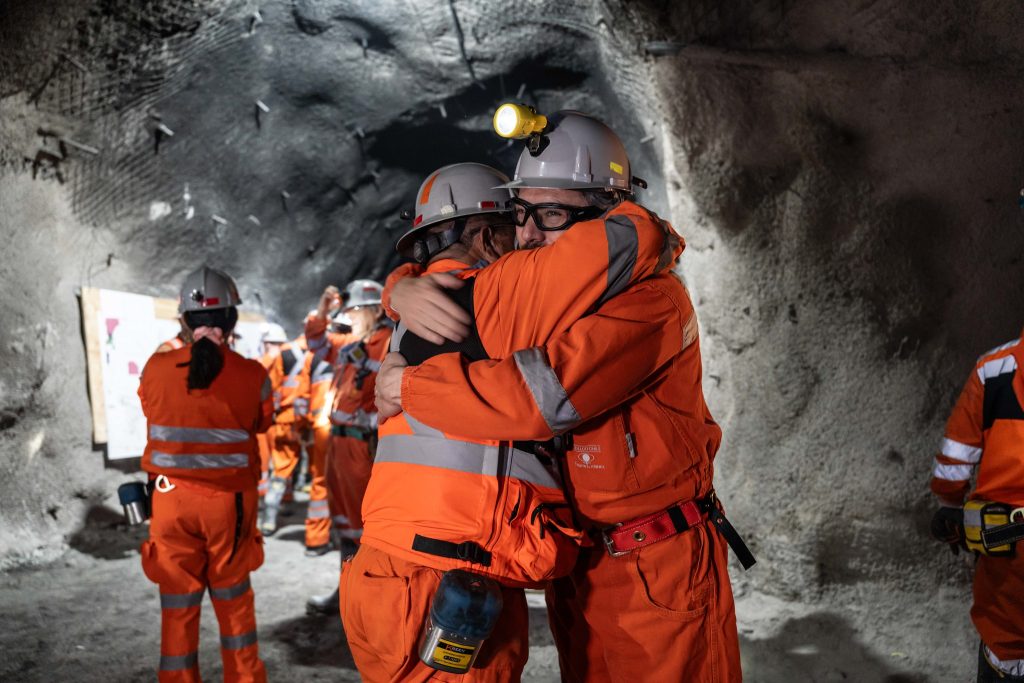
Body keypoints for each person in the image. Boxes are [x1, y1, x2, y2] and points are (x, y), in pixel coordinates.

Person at [376, 109, 748, 681]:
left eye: (549, 215)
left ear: (604, 216)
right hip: (583, 562)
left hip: (659, 562)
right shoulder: (548, 304)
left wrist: (408, 385)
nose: (526, 233)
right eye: (520, 213)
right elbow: (472, 285)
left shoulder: (650, 304)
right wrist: (402, 288)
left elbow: (533, 402)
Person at [341, 163, 591, 682]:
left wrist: (398, 287)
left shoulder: (405, 321)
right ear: (484, 235)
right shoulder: (502, 303)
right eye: (514, 226)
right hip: (449, 587)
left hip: (382, 573)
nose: (527, 238)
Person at [137, 265, 272, 682]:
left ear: (183, 319)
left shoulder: (155, 368)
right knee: (233, 604)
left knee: (177, 608)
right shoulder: (253, 374)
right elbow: (263, 424)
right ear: (231, 320)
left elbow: (149, 407)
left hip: (168, 502)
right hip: (227, 507)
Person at [929, 328, 1024, 682]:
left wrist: (949, 503)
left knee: (1007, 644)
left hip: (1008, 550)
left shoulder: (993, 369)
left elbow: (955, 458)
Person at [305, 279, 391, 614]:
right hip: (339, 444)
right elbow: (315, 341)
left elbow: (398, 375)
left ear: (376, 310)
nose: (351, 316)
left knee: (364, 526)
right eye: (349, 311)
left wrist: (366, 363)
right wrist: (324, 311)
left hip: (363, 446)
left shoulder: (389, 341)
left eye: (356, 310)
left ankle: (368, 599)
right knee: (344, 523)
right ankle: (346, 592)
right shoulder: (353, 342)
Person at [258, 326, 309, 536]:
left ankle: (271, 515)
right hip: (313, 421)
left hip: (287, 419)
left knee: (282, 468)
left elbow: (270, 385)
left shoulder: (285, 353)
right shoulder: (326, 350)